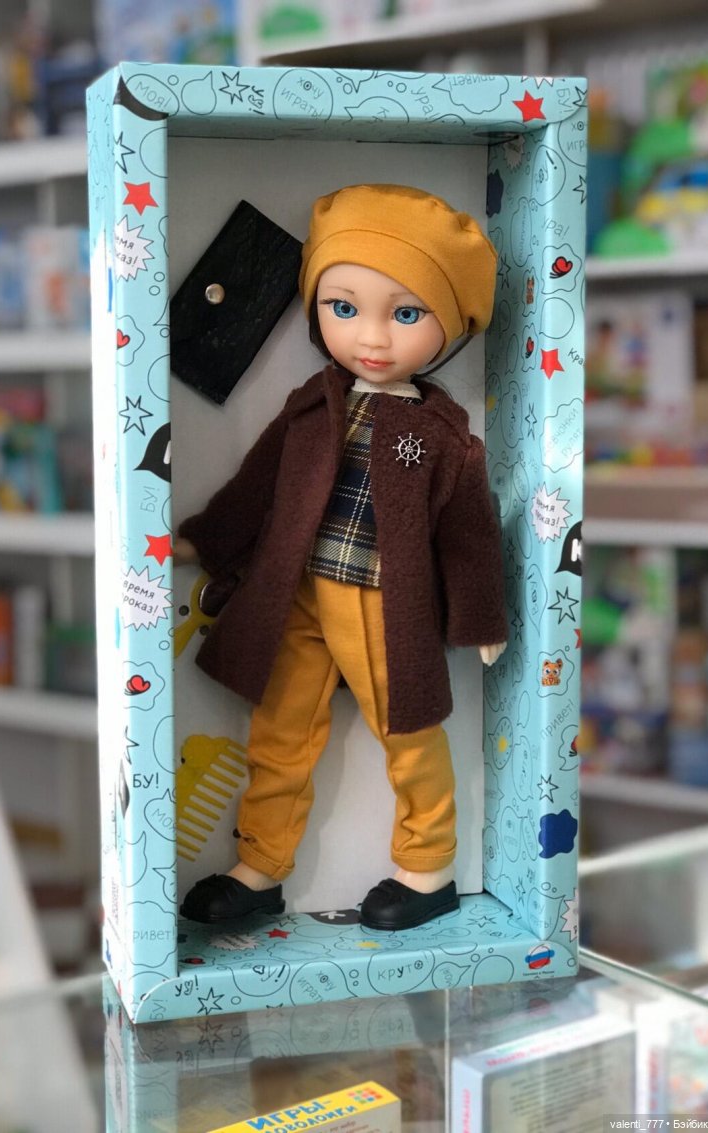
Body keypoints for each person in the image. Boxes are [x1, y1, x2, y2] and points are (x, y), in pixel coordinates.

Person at [175, 184, 508, 931]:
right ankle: (259, 867)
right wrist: (208, 538)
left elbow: (469, 534)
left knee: (408, 734)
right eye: (344, 307)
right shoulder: (310, 405)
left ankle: (428, 866)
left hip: (386, 606)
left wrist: (482, 614)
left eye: (407, 313)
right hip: (296, 595)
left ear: (452, 323)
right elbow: (257, 486)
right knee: (280, 730)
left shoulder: (446, 439)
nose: (373, 337)